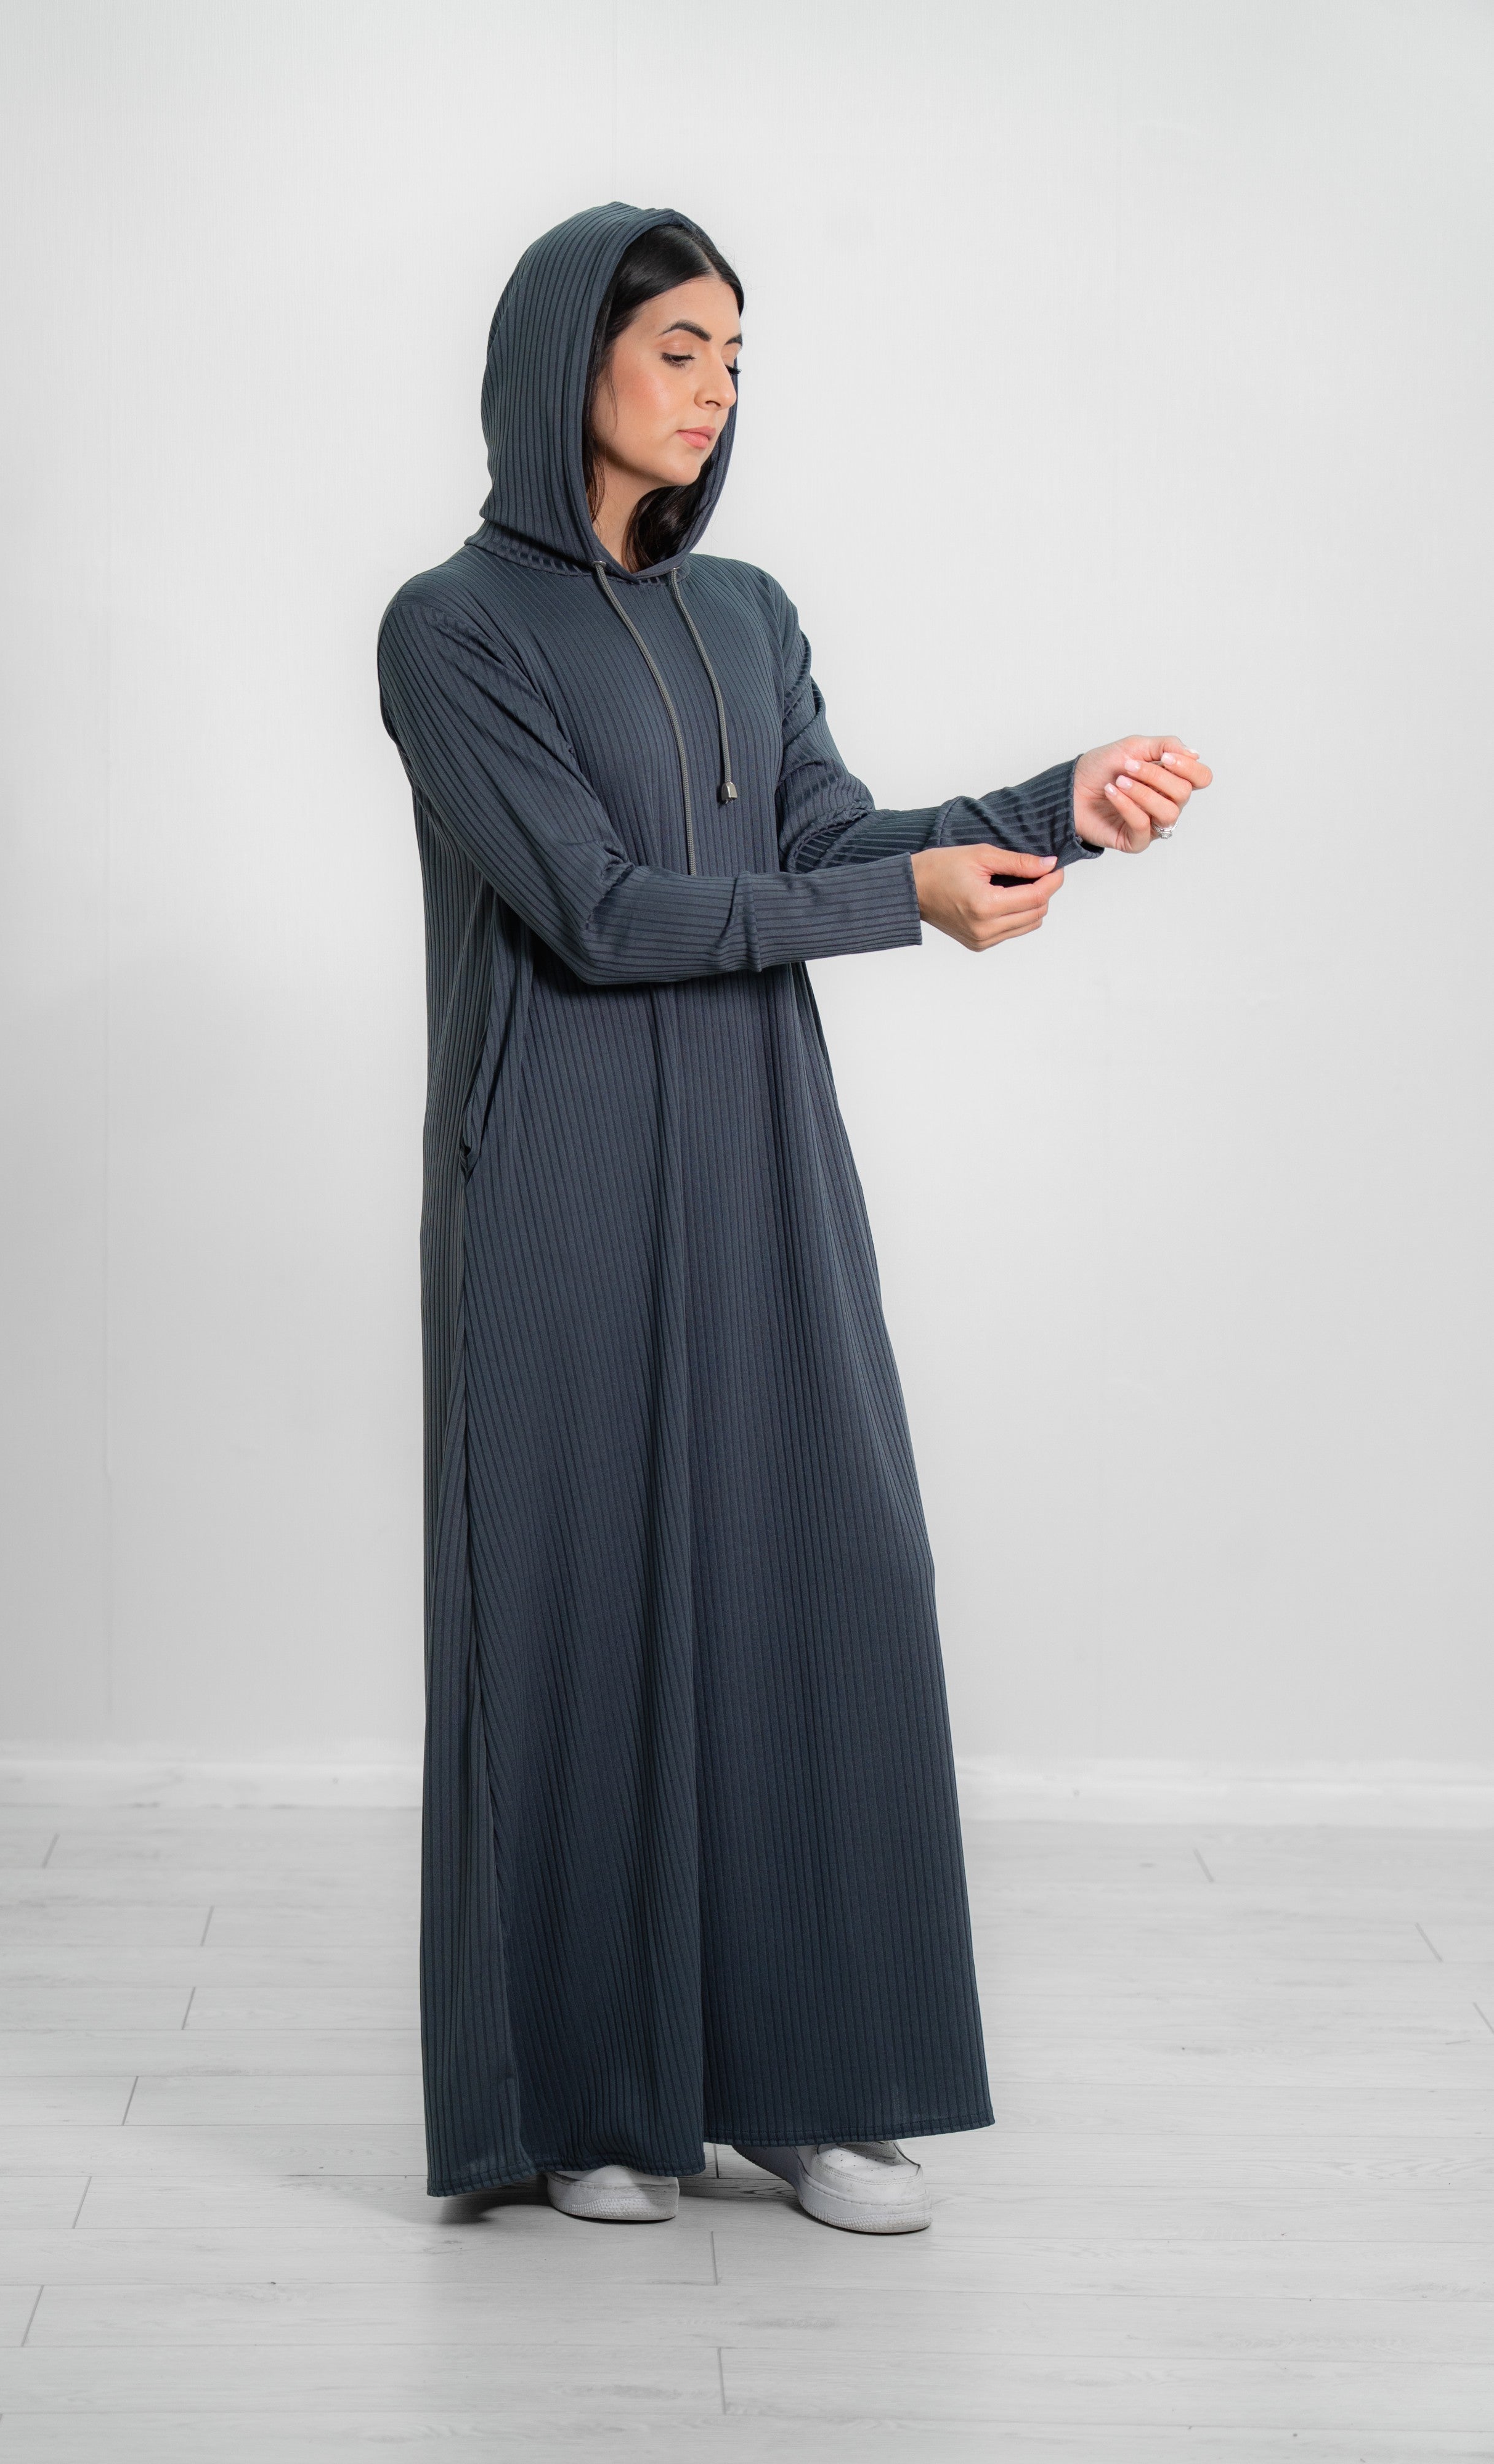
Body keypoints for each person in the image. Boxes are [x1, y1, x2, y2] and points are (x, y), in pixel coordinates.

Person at [376, 201, 1211, 2236]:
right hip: (556, 1166)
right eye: (677, 345)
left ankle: (812, 2084)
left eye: (735, 355)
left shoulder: (747, 611)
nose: (715, 387)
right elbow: (596, 913)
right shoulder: (449, 626)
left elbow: (833, 837)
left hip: (757, 1145)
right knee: (580, 1610)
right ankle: (590, 2100)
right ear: (565, 357)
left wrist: (1050, 809)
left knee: (818, 1572)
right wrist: (890, 904)